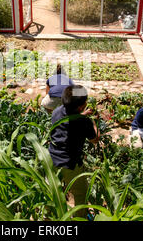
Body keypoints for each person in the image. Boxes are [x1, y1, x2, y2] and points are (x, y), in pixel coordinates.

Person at [48, 85, 100, 219]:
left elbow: (70, 119)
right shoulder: (84, 122)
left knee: (51, 191)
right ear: (81, 106)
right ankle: (80, 217)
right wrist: (94, 122)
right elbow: (95, 139)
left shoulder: (57, 111)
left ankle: (49, 215)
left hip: (51, 159)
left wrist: (82, 115)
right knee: (81, 192)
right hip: (70, 163)